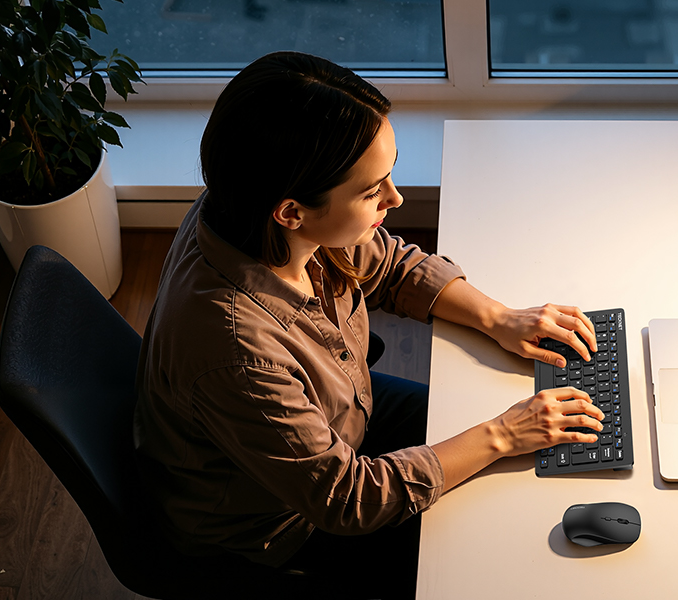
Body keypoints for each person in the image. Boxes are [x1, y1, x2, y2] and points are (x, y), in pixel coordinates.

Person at [133, 51, 606, 599]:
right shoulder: (238, 352)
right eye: (371, 191)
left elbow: (387, 263)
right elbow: (346, 500)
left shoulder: (251, 208)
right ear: (291, 211)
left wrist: (498, 318)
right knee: (491, 555)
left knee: (510, 444)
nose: (396, 198)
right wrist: (502, 434)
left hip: (340, 417)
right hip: (278, 520)